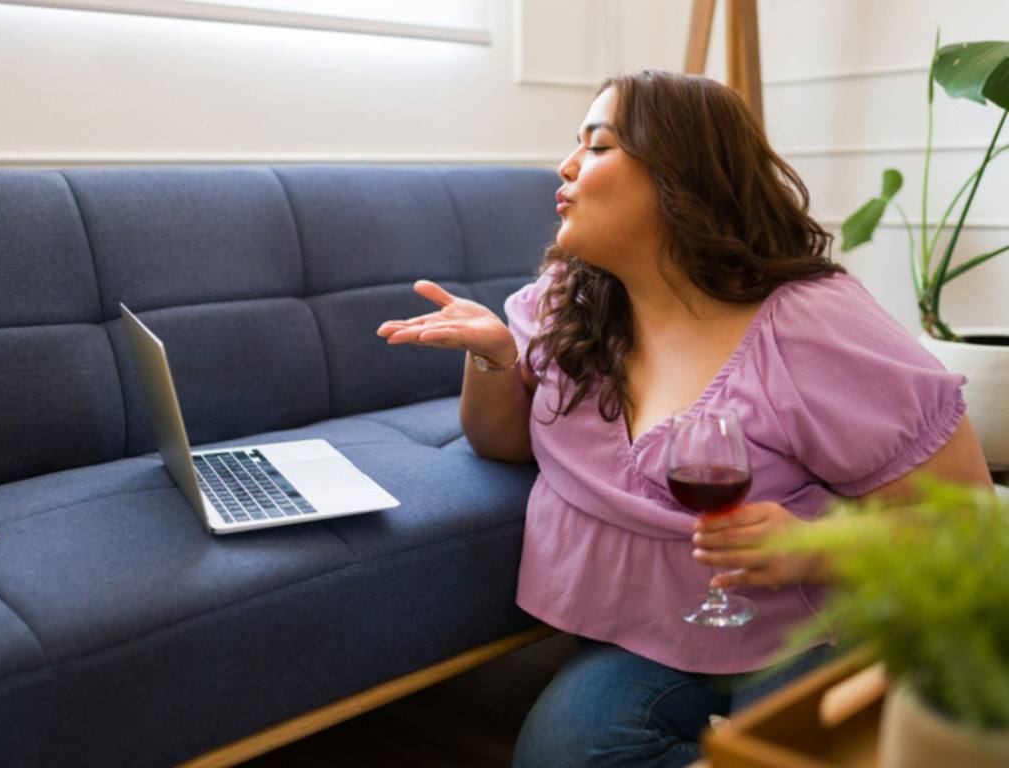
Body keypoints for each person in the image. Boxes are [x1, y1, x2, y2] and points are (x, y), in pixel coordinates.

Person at [376, 70, 991, 767]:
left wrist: (813, 545)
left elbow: (966, 517)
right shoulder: (563, 303)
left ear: (680, 177)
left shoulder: (814, 324)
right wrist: (491, 357)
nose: (567, 165)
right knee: (558, 752)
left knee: (789, 749)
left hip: (812, 625)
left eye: (599, 146)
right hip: (651, 642)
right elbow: (503, 443)